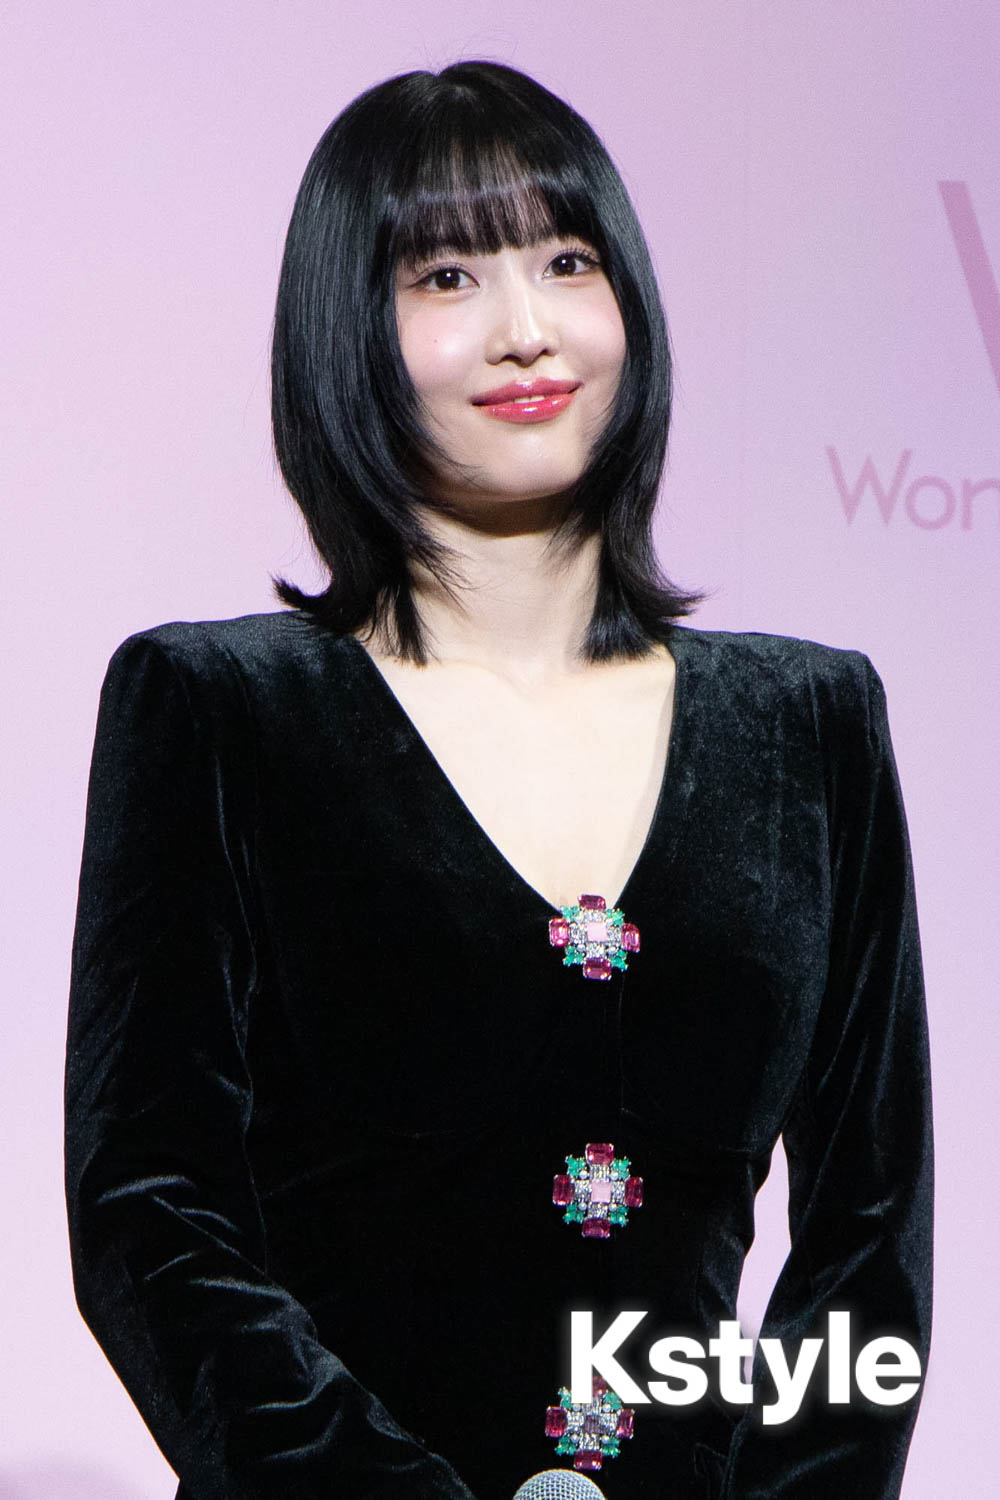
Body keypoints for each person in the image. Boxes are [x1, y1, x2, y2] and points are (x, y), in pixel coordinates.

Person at [64, 60, 933, 1500]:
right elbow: (148, 1212)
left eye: (567, 260)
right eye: (448, 276)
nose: (527, 327)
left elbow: (872, 1236)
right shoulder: (218, 709)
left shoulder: (812, 725)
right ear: (347, 329)